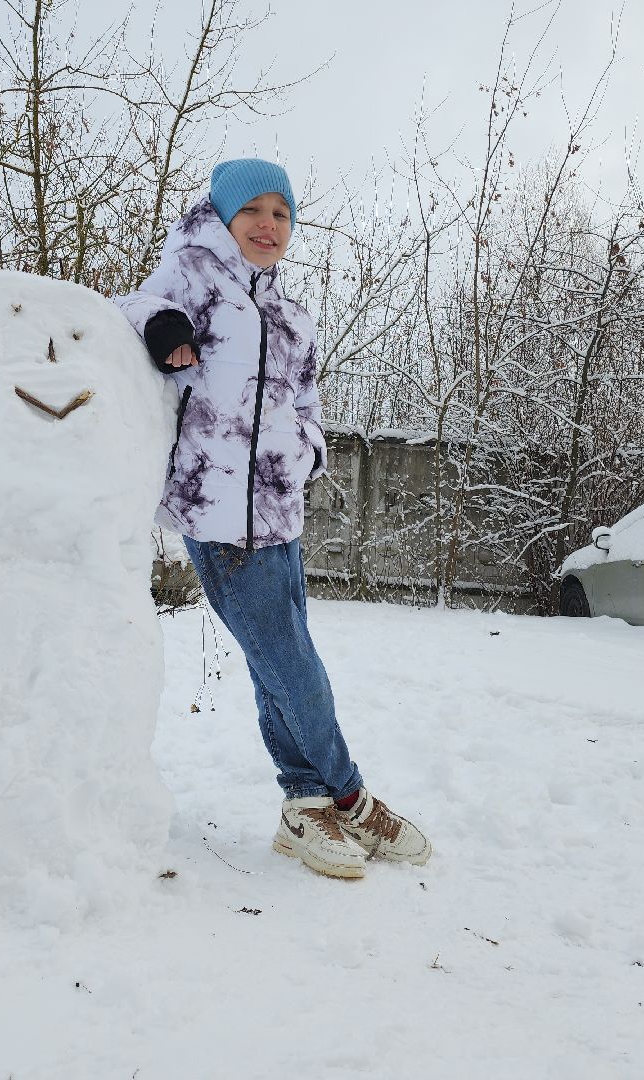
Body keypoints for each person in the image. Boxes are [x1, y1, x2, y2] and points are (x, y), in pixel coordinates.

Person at [116, 159, 432, 879]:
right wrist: (164, 327)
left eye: (282, 213)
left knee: (275, 668)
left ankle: (303, 804)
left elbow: (309, 405)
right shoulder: (193, 276)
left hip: (281, 513)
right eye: (252, 209)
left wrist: (306, 452)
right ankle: (349, 794)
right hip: (220, 521)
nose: (268, 224)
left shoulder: (290, 315)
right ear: (223, 219)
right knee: (296, 667)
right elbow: (124, 309)